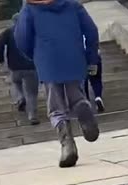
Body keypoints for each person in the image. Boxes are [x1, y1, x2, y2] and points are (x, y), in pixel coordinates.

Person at [15, 0, 100, 168]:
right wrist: (91, 58)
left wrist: (36, 56)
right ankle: (83, 107)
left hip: (48, 60)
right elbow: (91, 31)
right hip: (74, 57)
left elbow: (22, 38)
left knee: (56, 106)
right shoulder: (72, 4)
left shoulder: (30, 8)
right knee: (75, 93)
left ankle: (68, 146)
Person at [0, 13, 39, 125]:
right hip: (31, 66)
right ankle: (32, 115)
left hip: (15, 66)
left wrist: (1, 60)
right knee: (32, 93)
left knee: (16, 82)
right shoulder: (33, 31)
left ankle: (20, 97)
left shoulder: (9, 32)